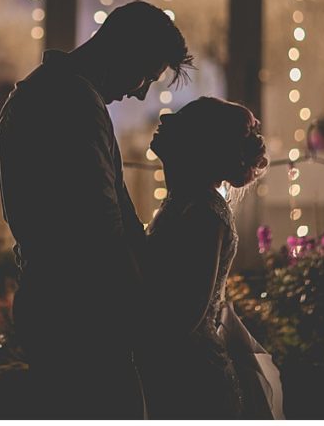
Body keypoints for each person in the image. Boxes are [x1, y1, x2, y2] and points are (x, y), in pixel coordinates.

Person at [0, 0, 193, 418]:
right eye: (145, 75)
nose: (141, 92)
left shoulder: (44, 92)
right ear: (121, 48)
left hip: (51, 298)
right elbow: (101, 226)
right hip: (81, 310)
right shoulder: (73, 102)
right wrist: (142, 308)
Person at [136, 97, 274, 419]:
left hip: (190, 379)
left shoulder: (204, 214)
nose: (166, 121)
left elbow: (185, 315)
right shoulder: (183, 202)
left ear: (198, 145)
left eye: (182, 119)